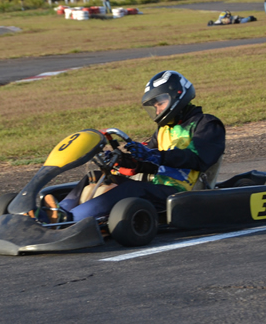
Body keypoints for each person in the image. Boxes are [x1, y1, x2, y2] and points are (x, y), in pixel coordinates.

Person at [42, 71, 226, 223]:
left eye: (160, 104)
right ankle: (57, 211)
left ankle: (70, 220)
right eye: (155, 106)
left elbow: (198, 159)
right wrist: (126, 160)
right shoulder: (164, 129)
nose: (158, 110)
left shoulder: (207, 124)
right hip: (159, 186)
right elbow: (149, 163)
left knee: (132, 190)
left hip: (185, 191)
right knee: (94, 177)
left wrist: (155, 155)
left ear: (178, 95)